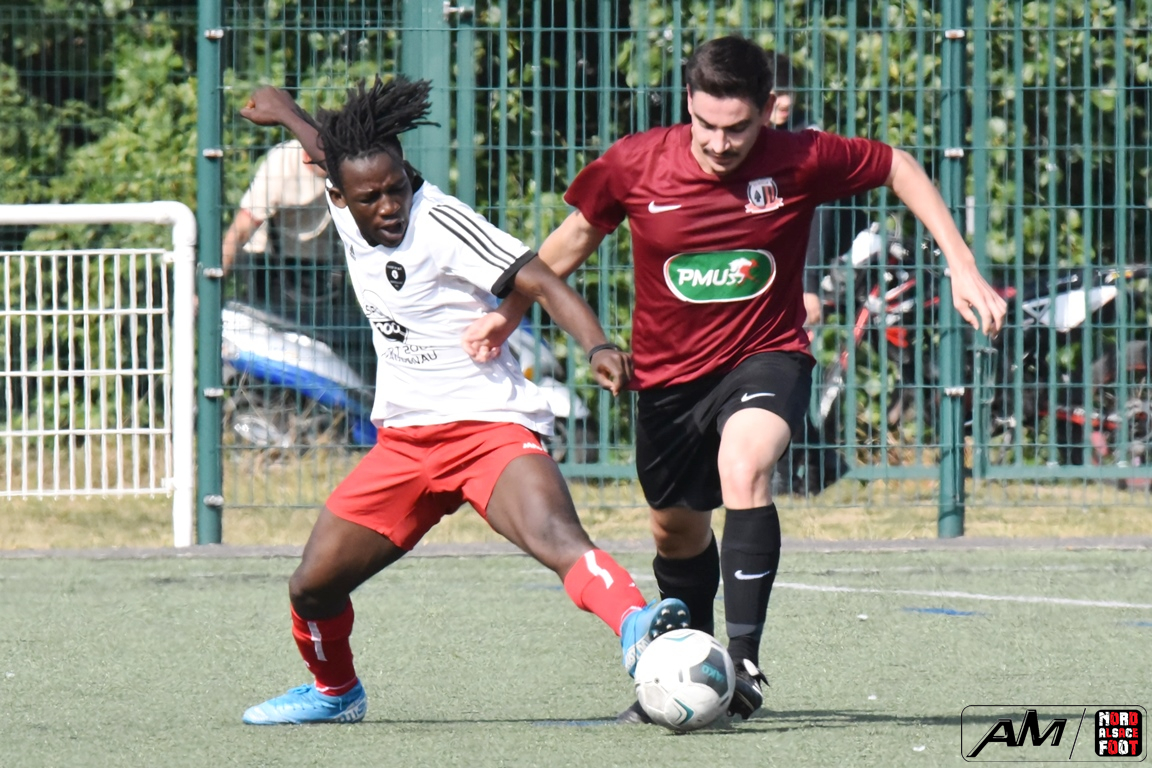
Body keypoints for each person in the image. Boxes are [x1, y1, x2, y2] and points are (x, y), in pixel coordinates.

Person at [463, 35, 1007, 723]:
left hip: (766, 355)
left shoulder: (800, 158)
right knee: (674, 531)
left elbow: (897, 165)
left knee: (744, 466)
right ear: (689, 102)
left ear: (768, 109)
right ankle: (687, 667)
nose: (721, 144)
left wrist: (961, 264)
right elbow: (570, 239)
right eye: (707, 125)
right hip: (668, 381)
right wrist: (508, 313)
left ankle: (742, 665)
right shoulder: (635, 163)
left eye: (738, 128)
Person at [234, 76, 690, 726]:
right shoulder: (342, 188)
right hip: (405, 445)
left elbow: (542, 281)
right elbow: (325, 147)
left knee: (556, 536)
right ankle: (335, 693)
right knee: (312, 585)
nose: (390, 205)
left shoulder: (442, 221)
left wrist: (597, 345)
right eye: (371, 197)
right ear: (340, 194)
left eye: (396, 187)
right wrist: (284, 111)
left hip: (487, 429)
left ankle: (638, 626)